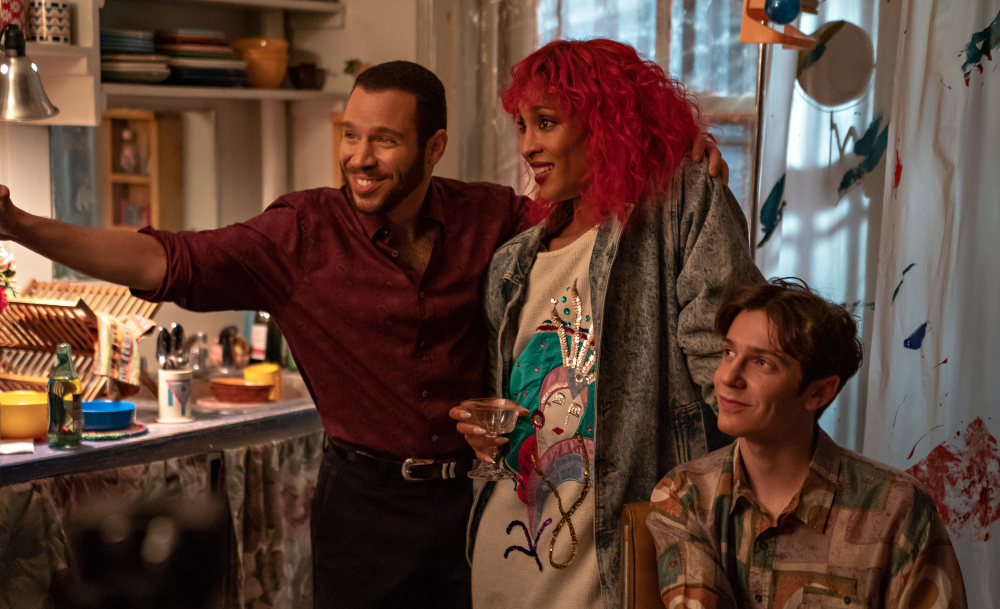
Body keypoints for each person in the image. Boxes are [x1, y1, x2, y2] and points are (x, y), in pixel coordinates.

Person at [0, 60, 728, 607]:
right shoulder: (299, 234)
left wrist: (677, 154)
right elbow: (165, 260)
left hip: (477, 503)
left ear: (434, 146)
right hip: (364, 510)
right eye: (350, 135)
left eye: (383, 139)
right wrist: (20, 224)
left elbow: (593, 201)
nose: (359, 156)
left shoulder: (494, 217)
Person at [450, 39, 763, 608]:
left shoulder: (680, 208)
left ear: (606, 123)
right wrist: (485, 437)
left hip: (618, 569)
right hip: (504, 562)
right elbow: (508, 417)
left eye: (546, 123)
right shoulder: (511, 264)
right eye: (521, 125)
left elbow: (729, 376)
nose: (527, 145)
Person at [646, 278, 967, 608]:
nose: (728, 377)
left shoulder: (900, 508)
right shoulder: (686, 494)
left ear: (819, 392)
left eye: (762, 362)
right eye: (728, 352)